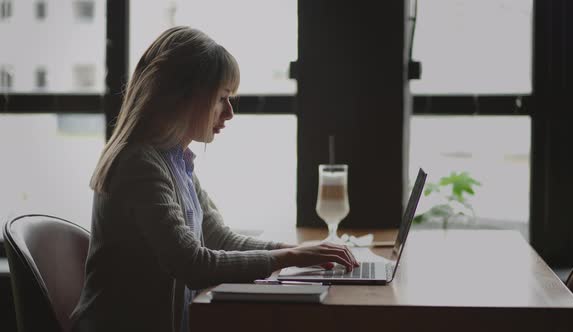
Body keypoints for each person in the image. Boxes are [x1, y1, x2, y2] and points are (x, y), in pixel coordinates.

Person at [70, 26, 358, 332]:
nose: (230, 113)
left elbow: (221, 240)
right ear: (183, 96)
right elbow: (193, 265)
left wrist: (302, 254)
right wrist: (290, 256)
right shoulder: (139, 166)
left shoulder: (175, 162)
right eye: (222, 98)